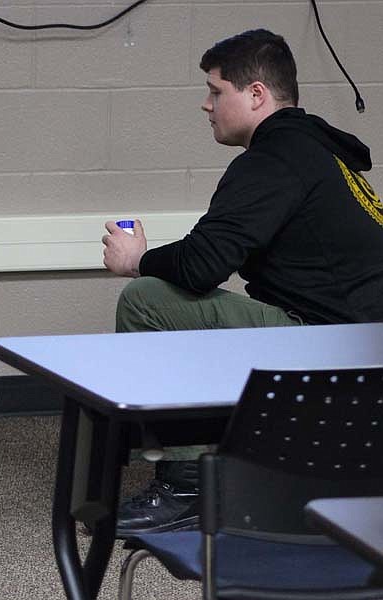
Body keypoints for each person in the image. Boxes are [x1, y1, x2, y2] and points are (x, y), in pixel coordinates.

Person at [102, 29, 383, 536]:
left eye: (216, 91)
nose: (205, 105)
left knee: (147, 301)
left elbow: (202, 264)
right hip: (363, 344)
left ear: (256, 95)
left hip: (337, 349)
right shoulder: (321, 153)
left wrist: (137, 259)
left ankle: (187, 488)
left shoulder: (273, 161)